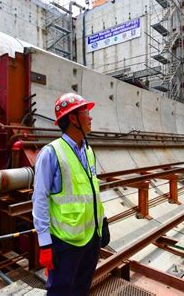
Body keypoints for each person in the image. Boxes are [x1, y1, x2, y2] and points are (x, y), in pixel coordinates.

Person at [32, 92, 110, 296]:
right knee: (61, 291)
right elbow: (39, 198)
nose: (90, 117)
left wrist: (102, 222)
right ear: (73, 118)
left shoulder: (88, 151)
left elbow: (92, 190)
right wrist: (45, 243)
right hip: (66, 242)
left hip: (91, 238)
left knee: (82, 289)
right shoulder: (51, 153)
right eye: (86, 112)